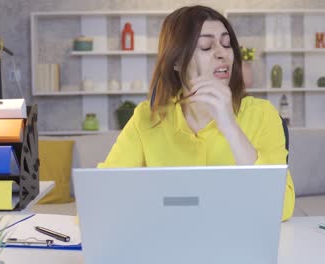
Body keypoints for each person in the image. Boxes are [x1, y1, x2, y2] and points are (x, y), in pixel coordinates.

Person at [98, 5, 295, 221]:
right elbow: (100, 198)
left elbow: (281, 207)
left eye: (227, 44)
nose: (222, 53)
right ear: (176, 61)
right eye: (206, 46)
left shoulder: (263, 114)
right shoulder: (147, 118)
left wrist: (230, 126)